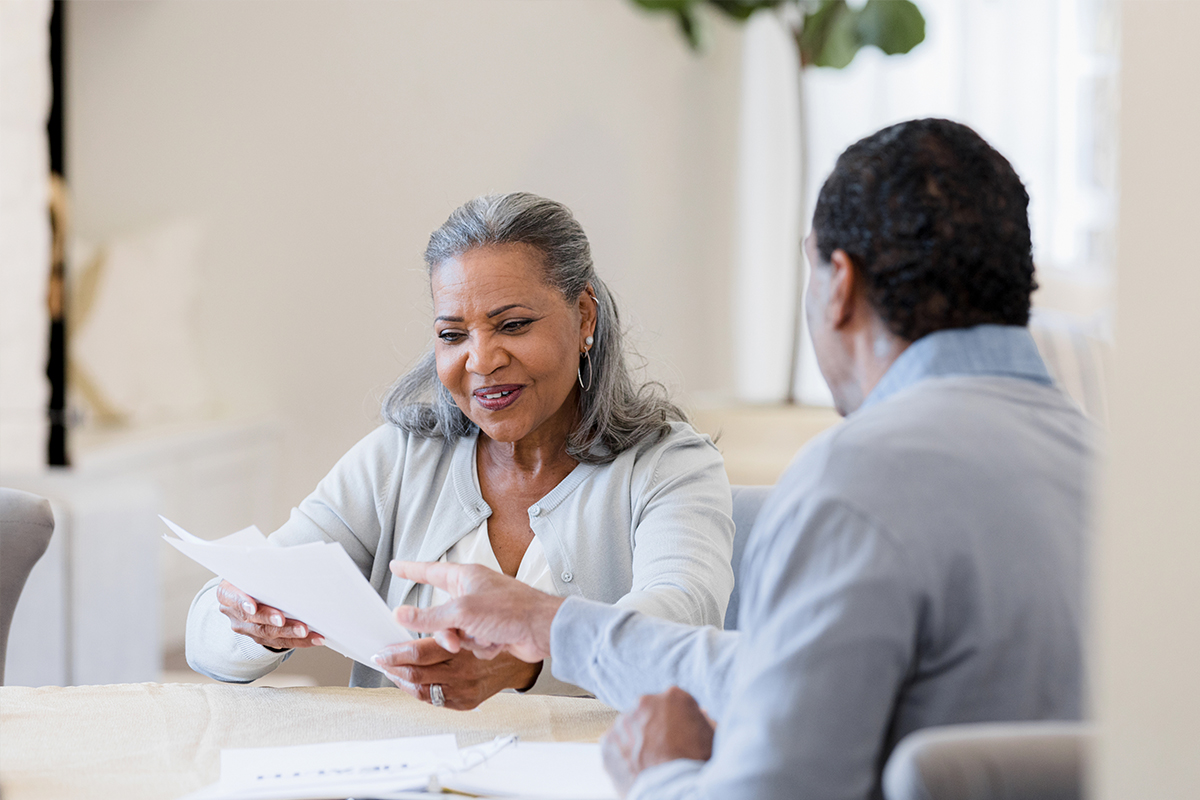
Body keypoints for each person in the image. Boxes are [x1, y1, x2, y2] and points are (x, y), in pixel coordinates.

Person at [387, 119, 1097, 798]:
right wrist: (549, 625)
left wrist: (658, 773)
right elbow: (789, 673)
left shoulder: (855, 482)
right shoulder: (1122, 473)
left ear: (839, 284)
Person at [185, 192, 736, 709]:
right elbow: (206, 641)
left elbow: (676, 627)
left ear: (585, 316)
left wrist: (526, 660)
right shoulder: (398, 460)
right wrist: (249, 619)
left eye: (514, 325)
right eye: (453, 335)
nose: (481, 360)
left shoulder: (671, 468)